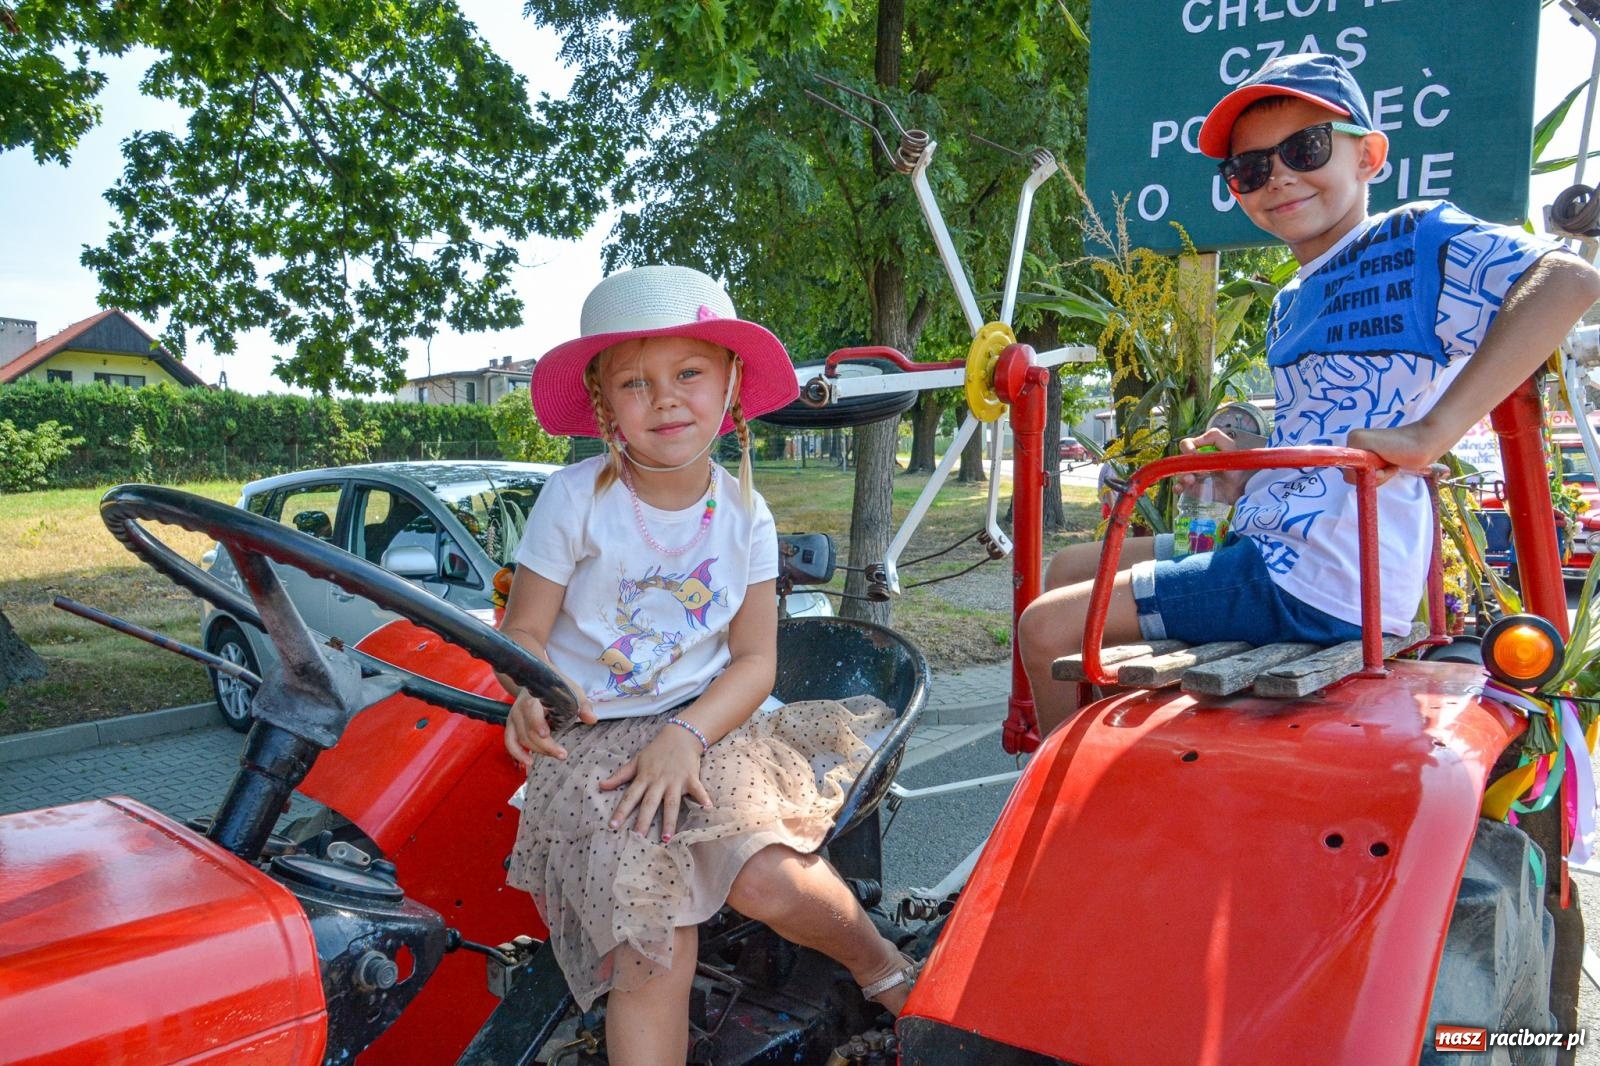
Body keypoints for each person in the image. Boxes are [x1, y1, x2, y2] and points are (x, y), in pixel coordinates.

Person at [1019, 52, 1600, 736]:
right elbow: (1328, 427)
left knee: (1045, 627)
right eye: (1251, 168)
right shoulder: (1292, 298)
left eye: (1306, 147)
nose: (1280, 176)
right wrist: (1249, 466)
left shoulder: (1411, 237)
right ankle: (1105, 754)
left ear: (1368, 155)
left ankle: (1063, 795)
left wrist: (1430, 434)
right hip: (1266, 550)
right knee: (1066, 566)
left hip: (1316, 581)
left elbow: (1565, 282)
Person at [495, 264, 915, 1065]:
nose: (665, 399)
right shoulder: (573, 498)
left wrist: (686, 735)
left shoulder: (746, 514)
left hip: (714, 721)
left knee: (767, 881)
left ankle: (883, 968)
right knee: (652, 948)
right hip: (592, 740)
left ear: (729, 383)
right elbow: (525, 632)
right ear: (602, 402)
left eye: (689, 373)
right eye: (635, 382)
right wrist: (525, 685)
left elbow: (755, 661)